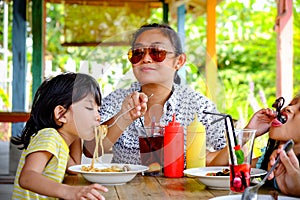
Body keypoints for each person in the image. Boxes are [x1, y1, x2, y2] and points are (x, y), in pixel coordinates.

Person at [83, 23, 228, 166]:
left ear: (179, 61)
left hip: (183, 189)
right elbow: (90, 150)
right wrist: (123, 118)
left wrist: (204, 158)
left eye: (157, 52)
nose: (146, 59)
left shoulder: (199, 105)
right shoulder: (117, 100)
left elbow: (230, 153)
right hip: (127, 188)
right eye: (138, 53)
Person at [11, 72, 108, 200]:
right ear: (61, 114)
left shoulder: (61, 143)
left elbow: (74, 168)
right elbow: (27, 177)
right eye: (89, 108)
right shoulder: (49, 136)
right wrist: (68, 192)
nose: (98, 117)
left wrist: (78, 132)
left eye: (98, 110)